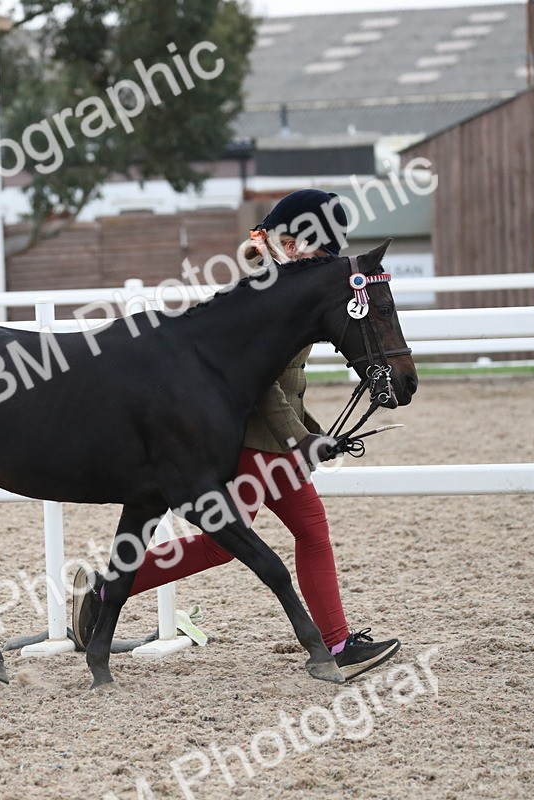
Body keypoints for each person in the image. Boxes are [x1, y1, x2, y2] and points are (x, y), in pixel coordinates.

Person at [71, 189, 400, 680]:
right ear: (292, 242)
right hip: (253, 438)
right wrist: (300, 439)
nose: (322, 258)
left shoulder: (288, 285)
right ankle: (335, 643)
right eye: (316, 247)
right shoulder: (269, 292)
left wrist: (306, 434)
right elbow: (266, 388)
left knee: (260, 537)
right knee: (271, 535)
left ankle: (104, 589)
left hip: (269, 438)